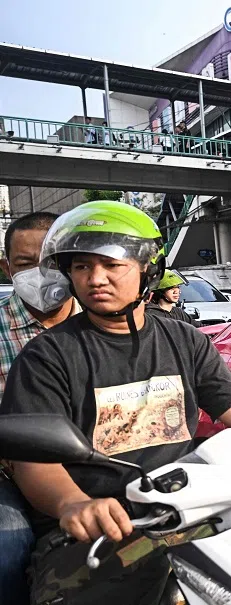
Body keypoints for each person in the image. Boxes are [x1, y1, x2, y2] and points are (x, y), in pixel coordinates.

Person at [0, 201, 231, 605]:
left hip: (192, 505)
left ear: (148, 270)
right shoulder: (47, 356)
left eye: (112, 265)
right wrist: (73, 502)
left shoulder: (185, 340)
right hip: (101, 527)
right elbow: (35, 459)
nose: (96, 279)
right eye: (81, 267)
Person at [0, 212, 81, 605]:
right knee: (7, 550)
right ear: (5, 267)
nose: (39, 274)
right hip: (9, 474)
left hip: (95, 465)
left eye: (49, 262)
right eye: (24, 264)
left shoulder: (106, 323)